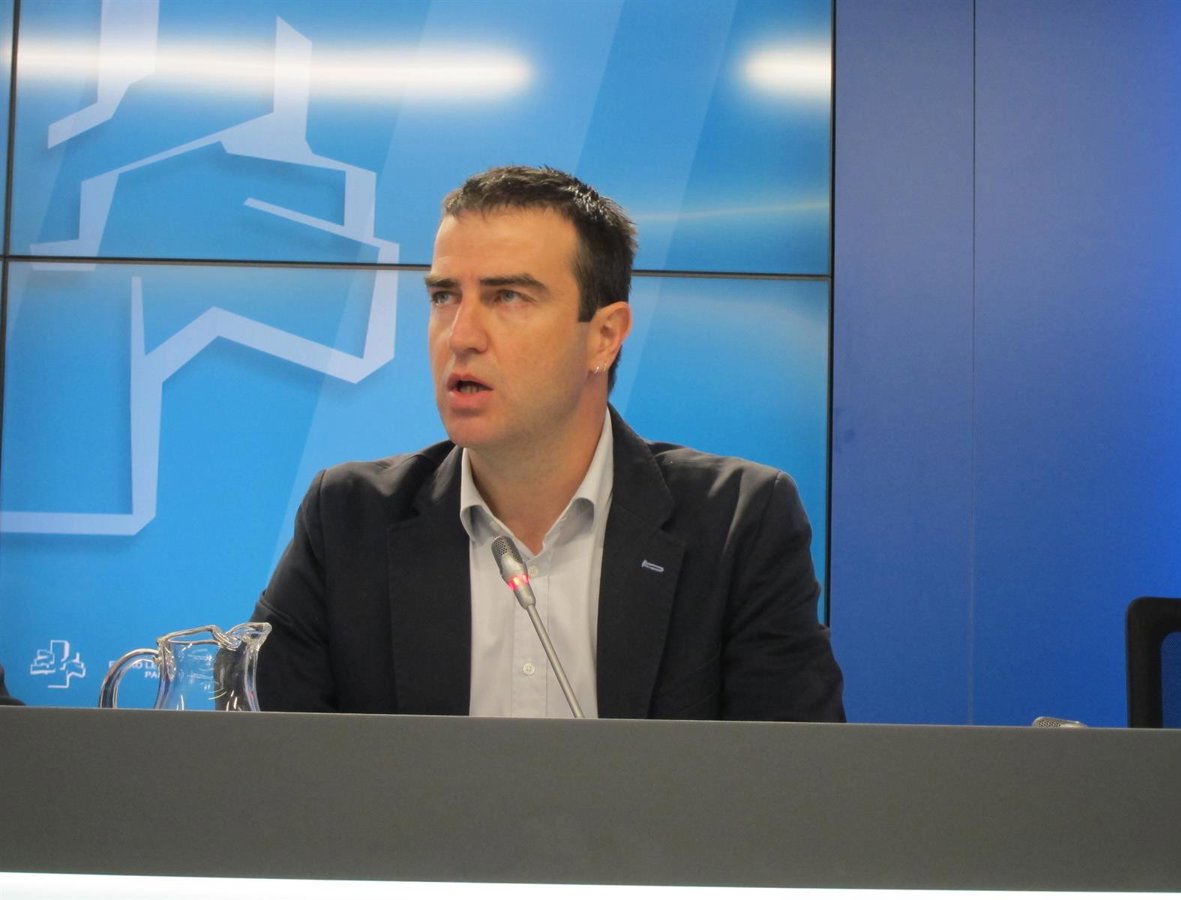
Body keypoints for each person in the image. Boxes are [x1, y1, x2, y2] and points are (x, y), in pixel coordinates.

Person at [253, 165, 844, 721]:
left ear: (604, 336)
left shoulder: (737, 522)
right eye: (444, 297)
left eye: (508, 296)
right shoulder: (348, 521)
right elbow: (264, 765)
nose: (461, 336)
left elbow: (793, 779)